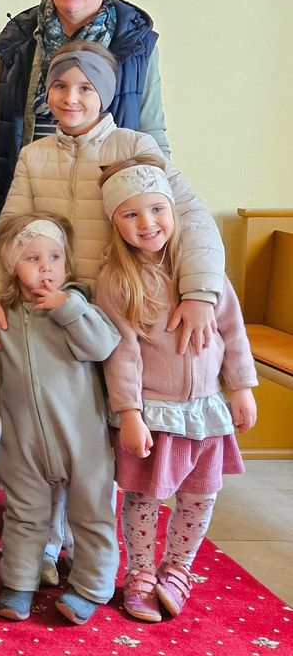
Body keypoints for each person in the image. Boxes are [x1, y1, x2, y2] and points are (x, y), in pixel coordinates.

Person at [0, 41, 225, 585]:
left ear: (106, 94)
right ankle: (43, 543)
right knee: (50, 429)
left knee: (98, 441)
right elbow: (10, 226)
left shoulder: (136, 145)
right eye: (61, 86)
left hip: (114, 309)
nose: (71, 98)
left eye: (86, 88)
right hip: (50, 309)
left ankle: (97, 555)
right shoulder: (34, 155)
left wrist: (201, 291)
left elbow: (192, 219)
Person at [95, 157, 258, 623]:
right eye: (131, 214)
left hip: (206, 409)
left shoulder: (202, 273)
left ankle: (178, 569)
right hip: (153, 411)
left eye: (156, 209)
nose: (147, 223)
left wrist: (242, 387)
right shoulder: (117, 280)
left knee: (200, 495)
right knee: (144, 497)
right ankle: (142, 572)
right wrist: (128, 413)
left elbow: (233, 330)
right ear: (115, 222)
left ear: (173, 211)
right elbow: (120, 353)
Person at [0, 213, 122, 624]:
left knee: (91, 513)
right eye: (32, 258)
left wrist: (68, 308)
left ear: (67, 265)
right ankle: (19, 581)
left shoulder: (78, 304)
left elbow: (104, 346)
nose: (45, 267)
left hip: (83, 438)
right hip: (23, 440)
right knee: (23, 512)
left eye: (54, 257)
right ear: (12, 266)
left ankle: (92, 587)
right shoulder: (1, 314)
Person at [0, 0, 169, 219]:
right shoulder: (18, 37)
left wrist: (157, 209)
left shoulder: (136, 45)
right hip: (28, 199)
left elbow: (152, 135)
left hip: (106, 204)